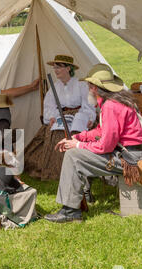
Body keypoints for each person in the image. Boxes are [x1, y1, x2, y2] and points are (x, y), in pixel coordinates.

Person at [45, 63, 142, 223]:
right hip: (128, 154)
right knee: (75, 152)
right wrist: (78, 138)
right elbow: (100, 131)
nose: (88, 89)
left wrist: (77, 146)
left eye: (89, 86)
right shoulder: (113, 102)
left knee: (73, 155)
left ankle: (70, 211)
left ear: (95, 88)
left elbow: (105, 146)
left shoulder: (111, 106)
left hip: (129, 159)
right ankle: (76, 201)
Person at [24, 54, 96, 182]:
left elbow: (88, 104)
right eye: (55, 67)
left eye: (59, 67)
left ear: (68, 68)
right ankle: (55, 172)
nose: (56, 70)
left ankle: (77, 168)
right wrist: (52, 117)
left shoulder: (81, 85)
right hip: (60, 117)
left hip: (79, 117)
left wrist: (88, 118)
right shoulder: (55, 87)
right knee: (55, 134)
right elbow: (49, 106)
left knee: (74, 135)